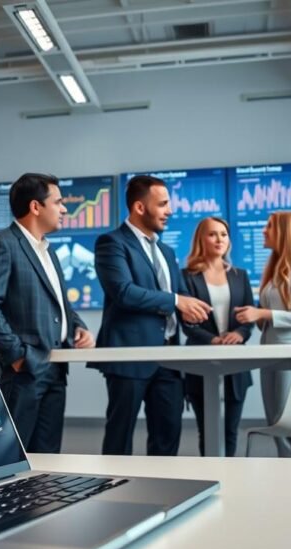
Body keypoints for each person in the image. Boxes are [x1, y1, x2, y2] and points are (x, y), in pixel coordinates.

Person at [0, 173, 95, 453]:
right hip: (24, 372)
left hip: (56, 369)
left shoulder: (48, 251)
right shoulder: (1, 244)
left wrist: (78, 326)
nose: (64, 209)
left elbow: (60, 305)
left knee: (48, 459)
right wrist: (16, 356)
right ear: (35, 207)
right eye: (59, 202)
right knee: (12, 456)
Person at [90, 175, 211, 456]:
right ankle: (115, 495)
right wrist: (177, 301)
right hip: (129, 356)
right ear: (139, 208)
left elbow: (178, 298)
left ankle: (164, 496)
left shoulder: (167, 252)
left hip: (169, 358)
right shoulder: (112, 243)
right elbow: (123, 292)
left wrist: (194, 313)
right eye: (163, 204)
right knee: (120, 437)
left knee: (168, 435)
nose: (170, 211)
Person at [234, 211, 291, 458]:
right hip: (272, 353)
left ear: (285, 231)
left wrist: (262, 315)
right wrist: (257, 316)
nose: (263, 230)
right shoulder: (277, 267)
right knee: (278, 428)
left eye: (269, 226)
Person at [180, 217, 255, 456]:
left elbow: (248, 318)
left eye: (224, 234)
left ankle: (229, 476)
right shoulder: (187, 276)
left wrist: (239, 334)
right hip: (202, 358)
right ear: (201, 239)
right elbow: (186, 323)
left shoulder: (240, 275)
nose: (219, 239)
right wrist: (211, 339)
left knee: (231, 429)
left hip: (235, 360)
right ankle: (211, 476)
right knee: (208, 429)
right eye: (213, 234)